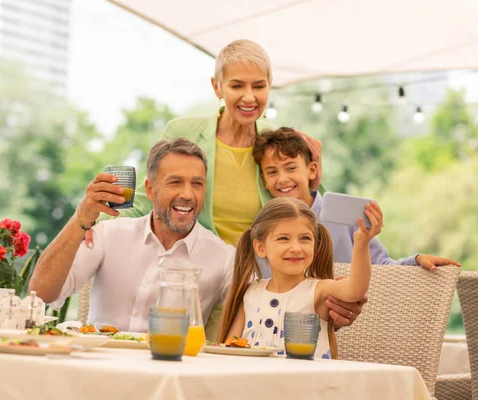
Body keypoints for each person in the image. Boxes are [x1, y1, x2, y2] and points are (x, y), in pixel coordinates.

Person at [84, 39, 361, 330]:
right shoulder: (183, 131)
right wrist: (95, 227)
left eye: (258, 86)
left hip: (255, 282)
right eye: (237, 85)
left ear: (270, 86)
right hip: (196, 272)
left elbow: (301, 215)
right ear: (218, 87)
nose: (249, 97)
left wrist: (313, 185)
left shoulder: (276, 141)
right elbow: (148, 197)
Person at [29, 138, 235, 333]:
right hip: (100, 365)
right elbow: (42, 293)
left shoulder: (223, 258)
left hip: (171, 368)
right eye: (175, 182)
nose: (188, 195)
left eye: (197, 184)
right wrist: (81, 218)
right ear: (150, 190)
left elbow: (254, 310)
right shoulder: (110, 235)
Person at [252, 127, 461, 276]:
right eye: (272, 172)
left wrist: (416, 261)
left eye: (291, 168)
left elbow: (380, 266)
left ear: (312, 170)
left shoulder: (344, 216)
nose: (282, 179)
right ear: (264, 181)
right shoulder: (264, 228)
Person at [218, 197, 382, 359]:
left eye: (305, 238)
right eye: (283, 238)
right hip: (254, 383)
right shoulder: (250, 292)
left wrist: (361, 243)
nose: (296, 248)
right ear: (260, 248)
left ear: (315, 246)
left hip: (308, 384)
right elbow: (230, 350)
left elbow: (356, 289)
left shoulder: (319, 290)